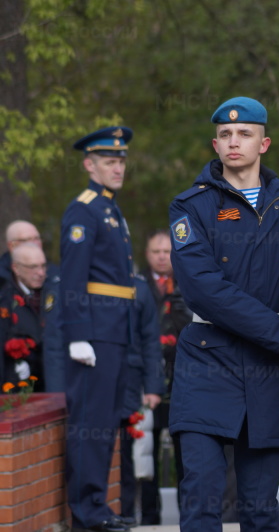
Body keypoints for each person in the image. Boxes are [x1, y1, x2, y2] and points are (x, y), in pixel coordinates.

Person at [168, 96, 279, 531]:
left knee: (260, 507)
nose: (234, 141)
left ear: (264, 144)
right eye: (226, 134)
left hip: (269, 370)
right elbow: (204, 290)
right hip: (208, 361)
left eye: (245, 133)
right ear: (214, 143)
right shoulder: (192, 206)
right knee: (201, 496)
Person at [61, 126, 136, 532]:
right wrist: (76, 335)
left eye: (121, 161)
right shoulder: (84, 210)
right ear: (90, 165)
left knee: (104, 421)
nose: (118, 168)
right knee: (89, 420)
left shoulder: (109, 209)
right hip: (94, 332)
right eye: (110, 161)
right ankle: (87, 511)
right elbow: (72, 278)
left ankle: (97, 507)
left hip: (112, 328)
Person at [139, 229, 193, 524]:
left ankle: (189, 517)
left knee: (186, 453)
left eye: (166, 251)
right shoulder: (137, 285)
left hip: (181, 377)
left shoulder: (187, 282)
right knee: (148, 450)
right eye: (155, 252)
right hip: (148, 380)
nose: (161, 257)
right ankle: (149, 517)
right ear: (147, 255)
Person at [118, 273, 164, 526]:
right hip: (98, 383)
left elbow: (150, 339)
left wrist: (154, 386)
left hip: (131, 385)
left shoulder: (138, 286)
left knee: (130, 457)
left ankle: (127, 517)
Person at [0, 243, 64, 391]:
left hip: (52, 380)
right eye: (33, 267)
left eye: (43, 266)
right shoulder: (6, 299)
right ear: (16, 268)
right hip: (17, 385)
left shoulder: (55, 293)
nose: (41, 273)